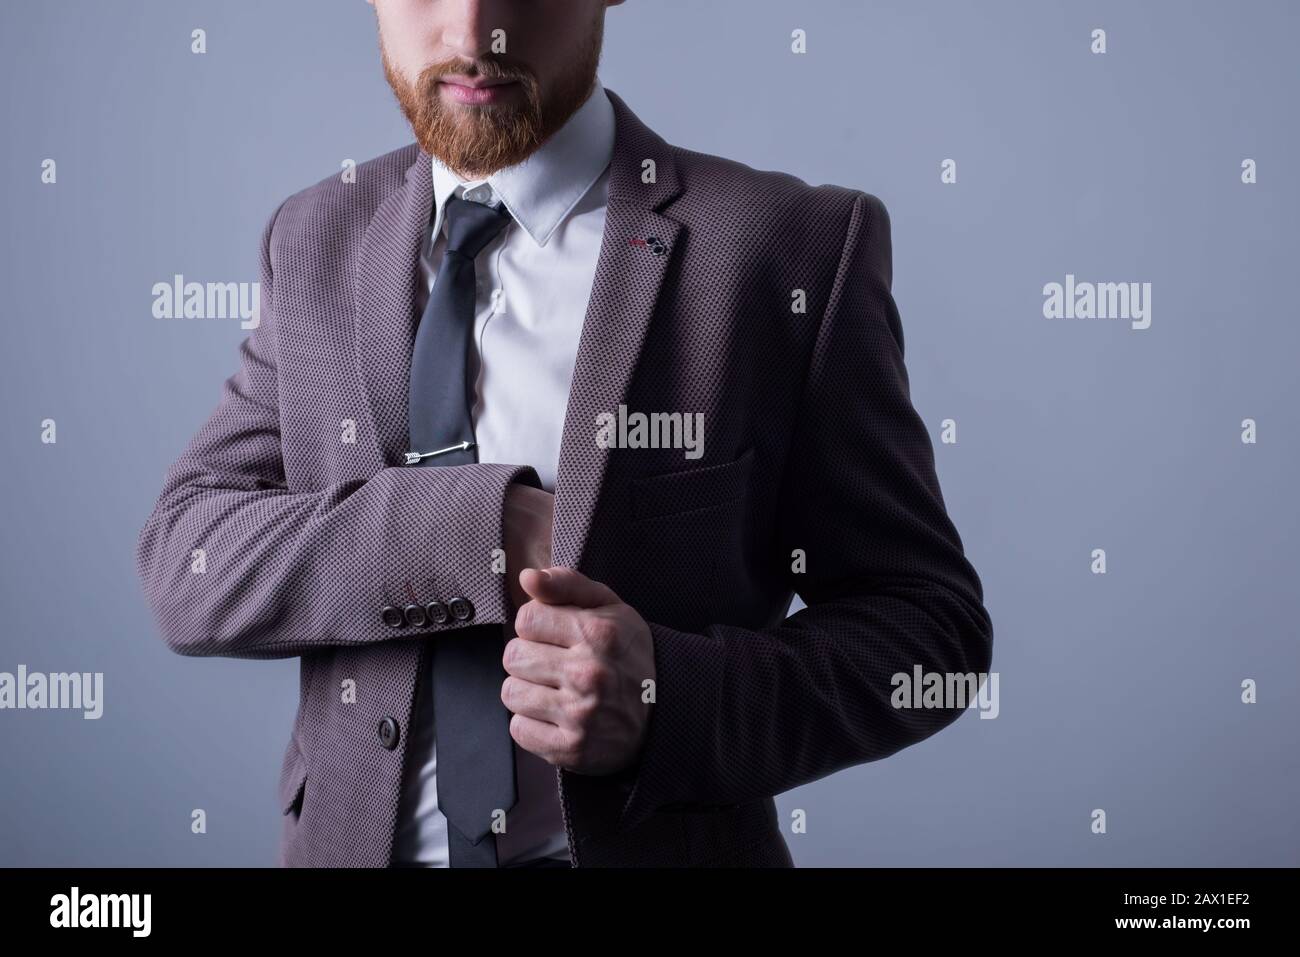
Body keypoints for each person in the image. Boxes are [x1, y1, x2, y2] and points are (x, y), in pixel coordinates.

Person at [136, 0, 994, 868]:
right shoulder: (316, 238)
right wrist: (482, 531)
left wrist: (669, 700)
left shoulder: (787, 251)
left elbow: (932, 634)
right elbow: (186, 558)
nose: (475, 37)